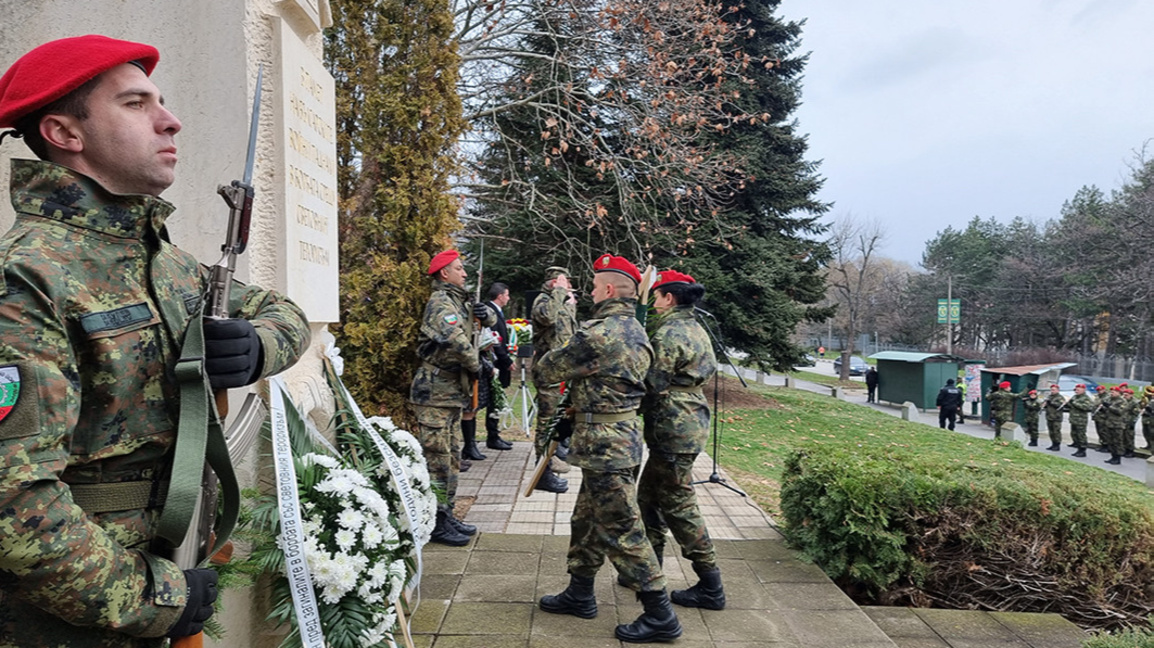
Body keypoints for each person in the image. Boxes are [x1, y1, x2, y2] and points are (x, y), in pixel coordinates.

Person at [0, 36, 311, 646]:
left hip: (163, 568)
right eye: (137, 103)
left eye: (161, 101)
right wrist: (154, 597)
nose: (170, 120)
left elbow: (282, 310)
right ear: (65, 133)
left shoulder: (161, 263)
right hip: (70, 620)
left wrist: (258, 344)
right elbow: (12, 501)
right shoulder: (26, 277)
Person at [536, 254, 681, 643]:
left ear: (610, 290)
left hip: (605, 446)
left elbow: (547, 370)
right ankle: (580, 593)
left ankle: (660, 613)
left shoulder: (599, 333)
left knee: (623, 527)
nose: (591, 290)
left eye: (596, 284)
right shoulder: (636, 329)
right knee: (586, 520)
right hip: (619, 441)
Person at [635, 270, 724, 610]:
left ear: (668, 298)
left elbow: (653, 382)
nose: (654, 304)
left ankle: (710, 584)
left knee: (679, 505)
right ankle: (647, 572)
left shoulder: (669, 332)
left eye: (656, 297)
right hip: (687, 422)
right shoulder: (695, 327)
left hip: (673, 428)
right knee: (648, 499)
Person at [410, 249, 496, 545]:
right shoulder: (440, 302)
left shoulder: (460, 301)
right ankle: (434, 522)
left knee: (452, 458)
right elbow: (456, 340)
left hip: (450, 394)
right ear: (444, 273)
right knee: (437, 460)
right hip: (435, 392)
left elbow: (483, 324)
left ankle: (446, 515)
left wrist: (488, 315)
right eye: (459, 268)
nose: (464, 273)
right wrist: (477, 365)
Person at [529, 266, 577, 493]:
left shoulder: (560, 302)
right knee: (546, 424)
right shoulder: (543, 301)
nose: (567, 285)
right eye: (563, 281)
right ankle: (542, 473)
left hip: (562, 372)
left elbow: (568, 334)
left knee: (556, 421)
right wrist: (559, 292)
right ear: (552, 282)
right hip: (548, 372)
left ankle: (552, 459)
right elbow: (547, 318)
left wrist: (570, 305)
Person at [483, 282, 515, 451]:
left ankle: (495, 434)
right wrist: (506, 360)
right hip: (494, 363)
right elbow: (495, 340)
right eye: (507, 295)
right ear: (500, 296)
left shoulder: (497, 311)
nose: (508, 299)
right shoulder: (490, 312)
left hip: (499, 361)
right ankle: (492, 436)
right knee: (493, 400)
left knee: (496, 399)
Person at [1066, 383, 1096, 457]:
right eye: (1076, 389)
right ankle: (1077, 447)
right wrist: (1068, 403)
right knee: (1074, 434)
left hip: (1081, 420)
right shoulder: (1075, 397)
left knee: (1081, 435)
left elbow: (1087, 408)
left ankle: (1082, 450)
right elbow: (1071, 406)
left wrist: (1075, 403)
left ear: (1083, 389)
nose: (1077, 391)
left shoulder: (1086, 398)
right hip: (1074, 418)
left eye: (1078, 389)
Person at [1042, 383, 1066, 451]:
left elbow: (1060, 405)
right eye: (1051, 390)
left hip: (1056, 417)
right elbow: (1046, 405)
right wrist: (1045, 404)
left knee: (1056, 432)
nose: (1052, 391)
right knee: (1051, 431)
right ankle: (1053, 444)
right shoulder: (1050, 396)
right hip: (1050, 416)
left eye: (1054, 390)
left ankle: (1057, 445)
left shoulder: (1060, 397)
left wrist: (1052, 403)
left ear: (1058, 390)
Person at [1120, 388, 1138, 458]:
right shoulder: (1123, 400)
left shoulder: (1134, 402)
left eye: (1126, 395)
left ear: (1131, 395)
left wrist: (1132, 422)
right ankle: (1124, 449)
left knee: (1129, 437)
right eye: (1124, 395)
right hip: (1123, 420)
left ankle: (1130, 451)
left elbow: (1136, 413)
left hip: (1129, 420)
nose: (1124, 396)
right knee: (1123, 436)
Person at [1141, 386, 1154, 452]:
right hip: (1146, 420)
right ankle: (1148, 445)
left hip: (1151, 420)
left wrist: (1150, 411)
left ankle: (1152, 448)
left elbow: (1152, 411)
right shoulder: (1150, 400)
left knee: (1151, 434)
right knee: (1145, 433)